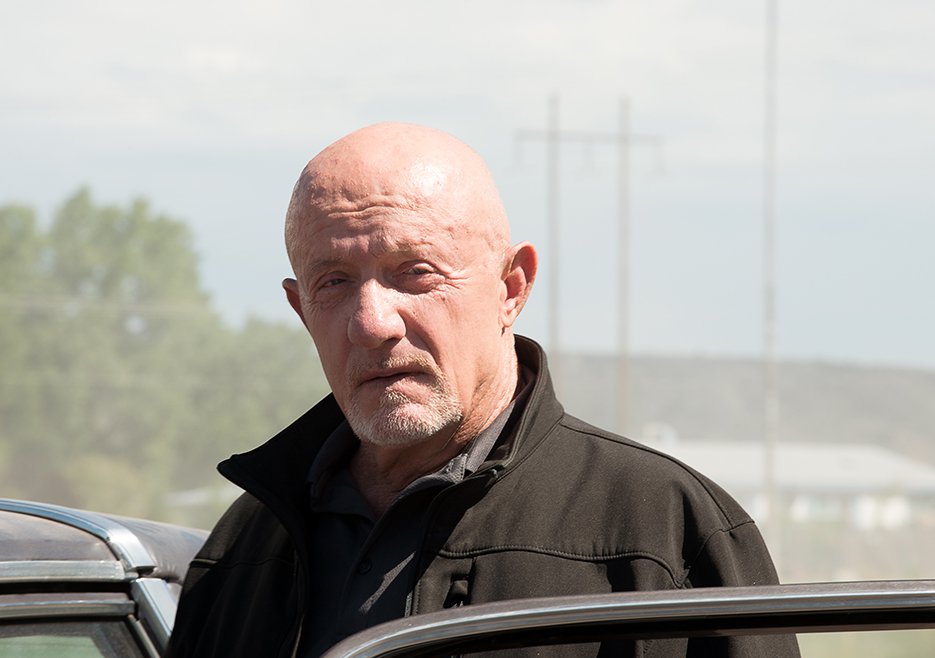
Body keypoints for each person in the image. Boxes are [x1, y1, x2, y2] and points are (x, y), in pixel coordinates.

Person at [167, 123, 799, 657]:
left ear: (511, 288)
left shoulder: (663, 533)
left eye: (415, 272)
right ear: (301, 310)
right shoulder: (244, 551)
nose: (371, 323)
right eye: (333, 282)